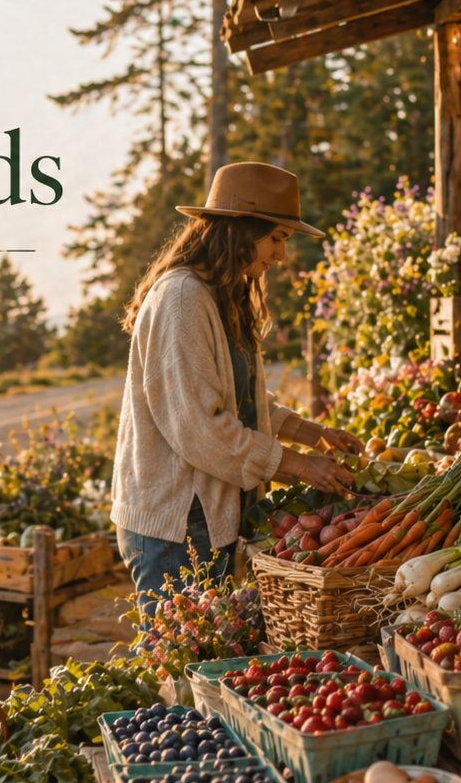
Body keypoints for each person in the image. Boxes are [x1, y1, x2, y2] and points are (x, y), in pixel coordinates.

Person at [111, 161, 365, 601]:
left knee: (205, 657)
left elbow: (236, 398)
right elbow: (201, 427)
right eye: (277, 239)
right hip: (176, 527)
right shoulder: (182, 299)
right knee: (186, 663)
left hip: (202, 516)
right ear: (242, 231)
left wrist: (312, 433)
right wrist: (301, 465)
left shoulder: (215, 294)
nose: (281, 255)